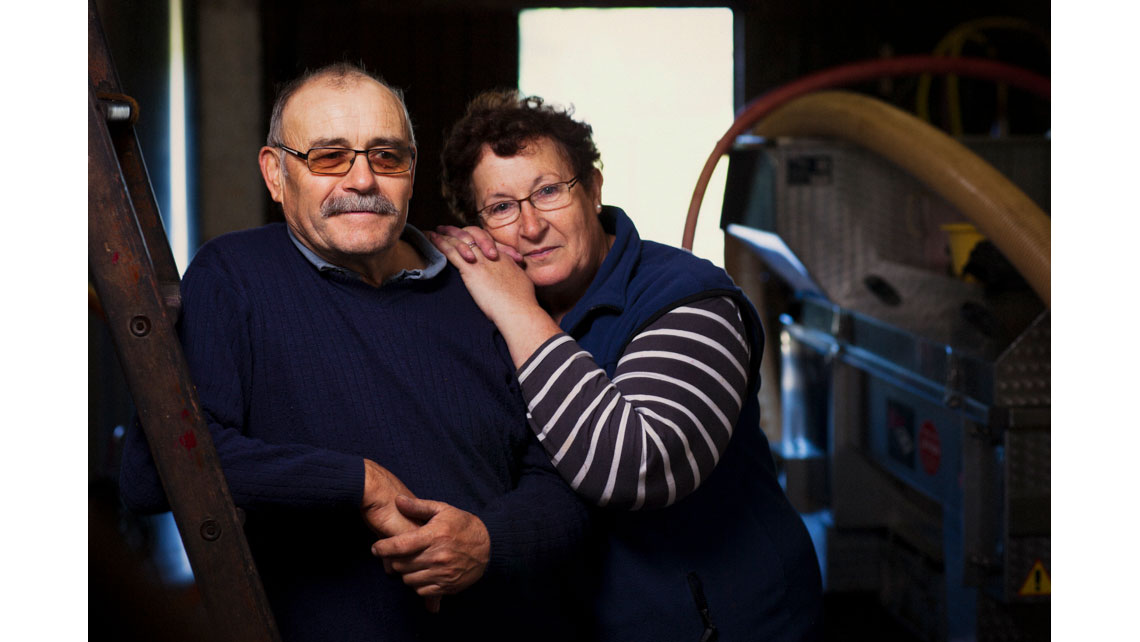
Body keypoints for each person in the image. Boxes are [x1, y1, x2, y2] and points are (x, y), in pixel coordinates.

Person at [118, 65, 592, 642]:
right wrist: (356, 482)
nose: (362, 180)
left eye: (386, 156)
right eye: (328, 157)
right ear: (276, 173)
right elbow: (152, 473)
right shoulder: (233, 277)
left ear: (411, 172)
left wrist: (489, 543)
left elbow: (565, 476)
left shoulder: (484, 282)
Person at [429, 90, 823, 641]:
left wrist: (515, 309)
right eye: (500, 208)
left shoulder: (689, 298)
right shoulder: (489, 304)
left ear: (592, 188)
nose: (530, 226)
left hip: (725, 625)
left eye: (547, 191)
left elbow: (636, 466)